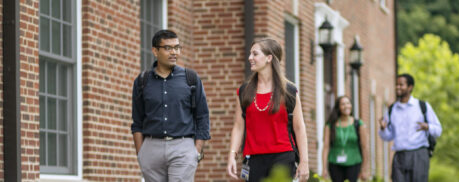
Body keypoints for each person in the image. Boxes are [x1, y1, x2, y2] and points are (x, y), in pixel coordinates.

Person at [131, 30, 210, 182]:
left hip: (183, 146)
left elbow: (202, 116)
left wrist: (196, 150)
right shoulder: (142, 81)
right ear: (155, 51)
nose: (174, 52)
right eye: (168, 48)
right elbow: (137, 121)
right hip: (151, 149)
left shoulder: (191, 79)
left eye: (177, 47)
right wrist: (141, 153)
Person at [226, 38, 309, 182]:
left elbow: (299, 127)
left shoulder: (289, 91)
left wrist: (304, 161)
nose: (250, 58)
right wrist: (232, 155)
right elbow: (239, 127)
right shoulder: (244, 91)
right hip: (252, 160)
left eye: (255, 54)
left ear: (269, 58)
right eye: (250, 54)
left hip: (283, 157)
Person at [379, 73, 442, 182]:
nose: (398, 87)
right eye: (397, 84)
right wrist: (383, 129)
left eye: (401, 85)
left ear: (410, 87)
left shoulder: (422, 106)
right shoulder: (392, 109)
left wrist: (427, 127)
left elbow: (438, 130)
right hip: (399, 156)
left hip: (418, 154)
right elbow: (388, 137)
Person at [322, 96, 370, 182]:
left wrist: (364, 169)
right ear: (338, 107)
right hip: (335, 162)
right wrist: (324, 168)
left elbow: (364, 147)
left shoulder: (358, 124)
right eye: (343, 104)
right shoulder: (330, 125)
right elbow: (326, 147)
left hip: (354, 162)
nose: (346, 106)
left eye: (348, 103)